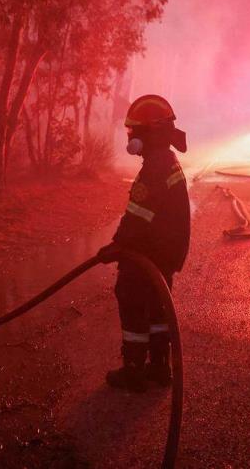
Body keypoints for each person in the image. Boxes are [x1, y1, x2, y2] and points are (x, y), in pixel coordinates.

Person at [97, 95, 191, 393]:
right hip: (165, 250)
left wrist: (118, 246)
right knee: (157, 306)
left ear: (148, 133)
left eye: (133, 131)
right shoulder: (165, 159)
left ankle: (135, 371)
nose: (130, 136)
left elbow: (138, 217)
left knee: (132, 299)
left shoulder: (154, 168)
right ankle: (159, 367)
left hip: (148, 252)